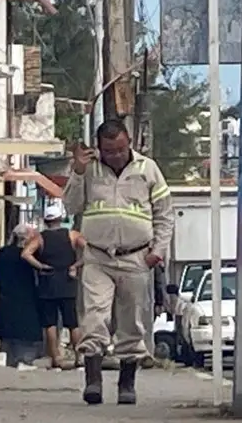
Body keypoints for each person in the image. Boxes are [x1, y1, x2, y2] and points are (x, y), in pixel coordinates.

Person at [62, 119, 174, 406]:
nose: (116, 155)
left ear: (129, 144)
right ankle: (93, 382)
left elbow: (164, 214)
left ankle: (127, 383)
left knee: (132, 321)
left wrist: (157, 251)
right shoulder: (88, 170)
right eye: (109, 151)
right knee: (95, 317)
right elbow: (72, 206)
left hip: (136, 257)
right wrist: (77, 171)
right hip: (98, 255)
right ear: (99, 148)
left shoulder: (148, 169)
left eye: (121, 149)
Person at [22, 201, 86, 369]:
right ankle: (79, 357)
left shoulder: (40, 238)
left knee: (50, 323)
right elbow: (90, 250)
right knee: (72, 322)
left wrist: (41, 266)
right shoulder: (72, 235)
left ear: (46, 220)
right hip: (68, 282)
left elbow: (25, 254)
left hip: (47, 283)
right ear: (60, 218)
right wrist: (76, 265)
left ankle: (56, 357)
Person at [0, 224, 44, 367]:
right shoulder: (31, 258)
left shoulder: (2, 253)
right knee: (25, 354)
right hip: (27, 307)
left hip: (6, 305)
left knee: (8, 350)